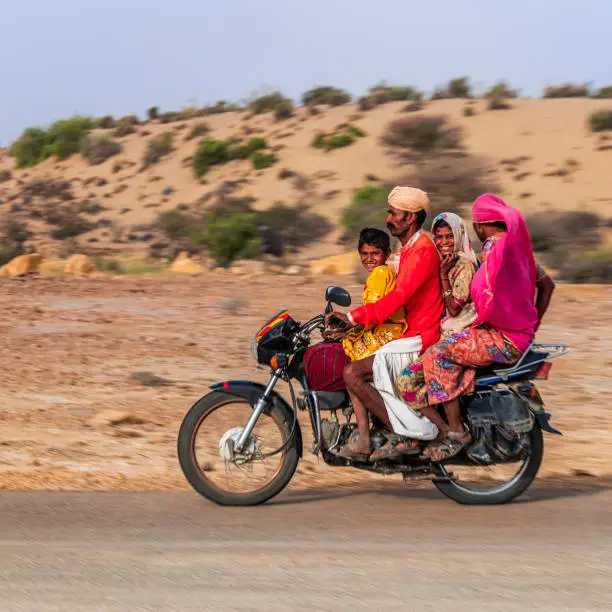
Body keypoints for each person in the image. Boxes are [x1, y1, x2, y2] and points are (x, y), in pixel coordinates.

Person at [421, 193, 550, 462]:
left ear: (480, 225)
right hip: (519, 336)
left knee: (437, 354)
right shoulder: (520, 248)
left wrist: (492, 320)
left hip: (502, 337)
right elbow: (548, 285)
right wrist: (531, 325)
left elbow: (484, 291)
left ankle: (456, 432)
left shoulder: (492, 246)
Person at [325, 186, 444, 461]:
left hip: (419, 335)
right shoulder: (409, 250)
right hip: (409, 332)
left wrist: (353, 318)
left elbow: (398, 297)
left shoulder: (423, 250)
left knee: (352, 374)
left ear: (410, 217)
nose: (388, 218)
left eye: (393, 213)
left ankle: (401, 437)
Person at [394, 212, 478, 419]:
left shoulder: (464, 265)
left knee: (406, 380)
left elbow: (455, 308)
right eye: (438, 237)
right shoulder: (442, 262)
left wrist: (443, 275)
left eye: (449, 236)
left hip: (457, 334)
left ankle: (444, 430)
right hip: (439, 331)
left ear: (459, 236)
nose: (443, 242)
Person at [340, 228, 407, 361]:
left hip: (387, 330)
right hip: (385, 328)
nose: (369, 258)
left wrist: (349, 323)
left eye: (375, 253)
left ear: (387, 254)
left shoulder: (380, 273)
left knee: (349, 356)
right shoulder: (383, 272)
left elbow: (373, 309)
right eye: (364, 253)